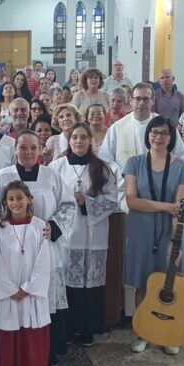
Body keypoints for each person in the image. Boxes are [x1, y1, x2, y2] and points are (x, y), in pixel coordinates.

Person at [0, 131, 72, 366]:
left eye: (33, 148)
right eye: (23, 148)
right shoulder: (4, 175)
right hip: (12, 250)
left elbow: (68, 204)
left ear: (40, 149)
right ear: (16, 150)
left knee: (43, 295)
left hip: (45, 246)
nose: (28, 152)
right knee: (15, 296)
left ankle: (46, 351)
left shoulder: (51, 175)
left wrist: (54, 226)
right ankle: (15, 351)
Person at [123, 116, 184, 355]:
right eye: (154, 132)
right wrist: (165, 206)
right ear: (148, 135)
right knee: (143, 283)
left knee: (170, 282)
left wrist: (176, 243)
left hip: (170, 230)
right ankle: (142, 332)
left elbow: (179, 208)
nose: (158, 137)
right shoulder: (134, 163)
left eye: (163, 133)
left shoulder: (181, 166)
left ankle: (169, 334)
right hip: (141, 229)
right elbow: (132, 201)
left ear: (171, 138)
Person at [49, 124, 119, 346]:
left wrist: (87, 202)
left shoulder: (102, 168)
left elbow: (112, 200)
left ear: (91, 141)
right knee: (68, 283)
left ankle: (88, 329)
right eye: (74, 137)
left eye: (83, 137)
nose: (78, 141)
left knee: (90, 284)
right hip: (66, 235)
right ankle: (69, 329)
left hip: (93, 234)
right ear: (68, 141)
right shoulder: (56, 167)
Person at [0, 180, 52, 366]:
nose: (15, 203)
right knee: (10, 337)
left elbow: (44, 260)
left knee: (31, 336)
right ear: (5, 203)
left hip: (31, 293)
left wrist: (28, 287)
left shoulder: (40, 226)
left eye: (19, 198)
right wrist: (10, 289)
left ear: (29, 200)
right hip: (9, 294)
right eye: (11, 199)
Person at [100, 83, 184, 174]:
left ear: (153, 101)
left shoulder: (166, 125)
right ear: (131, 100)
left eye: (146, 99)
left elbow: (183, 160)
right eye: (137, 99)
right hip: (125, 184)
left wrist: (164, 175)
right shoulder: (117, 127)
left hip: (159, 184)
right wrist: (123, 173)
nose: (141, 103)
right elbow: (105, 159)